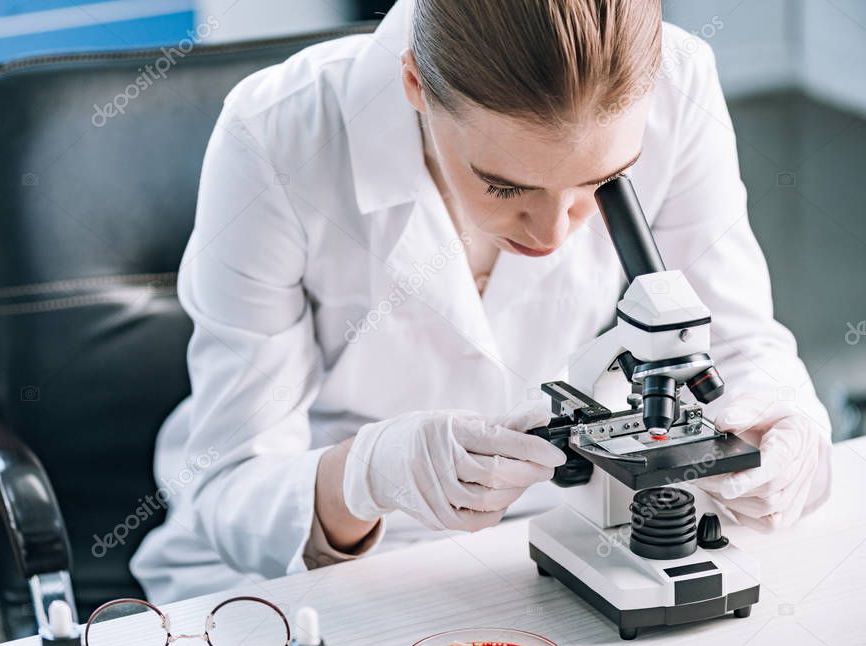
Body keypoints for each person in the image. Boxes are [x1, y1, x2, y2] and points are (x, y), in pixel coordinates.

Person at [131, 0, 833, 603]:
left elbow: (740, 347)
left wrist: (783, 428)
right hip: (329, 572)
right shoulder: (278, 134)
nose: (553, 233)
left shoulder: (677, 82)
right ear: (414, 84)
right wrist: (370, 474)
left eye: (605, 180)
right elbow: (226, 483)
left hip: (561, 532)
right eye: (505, 186)